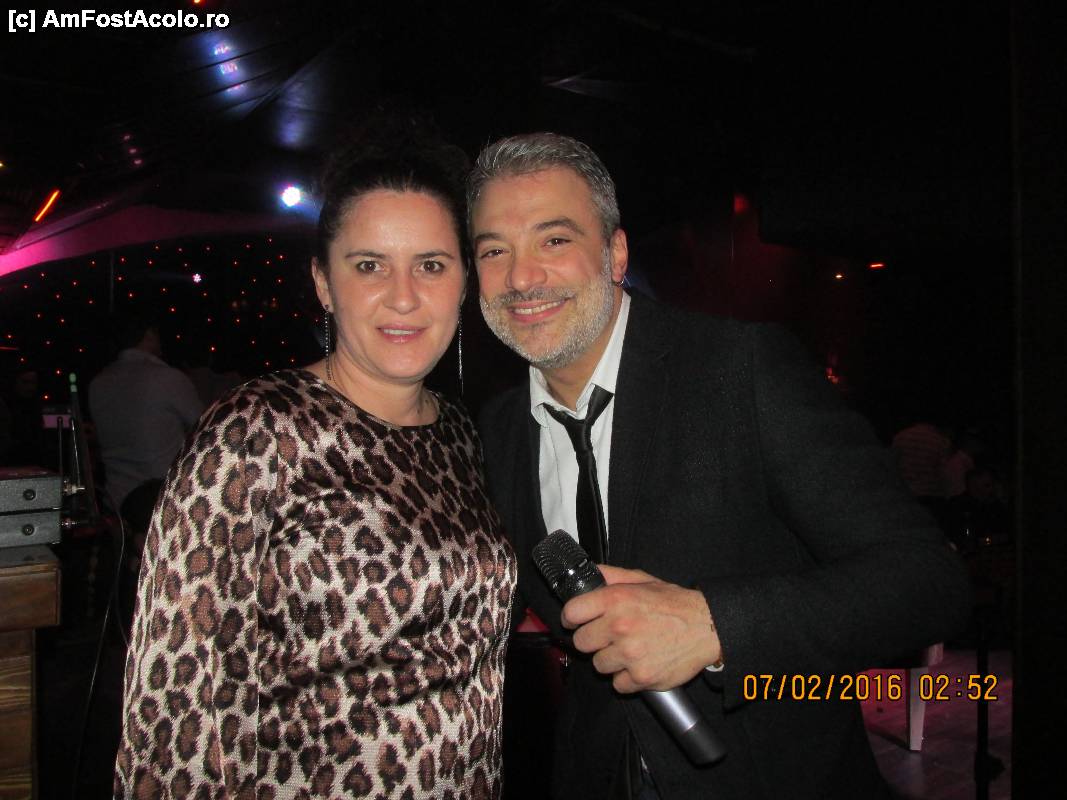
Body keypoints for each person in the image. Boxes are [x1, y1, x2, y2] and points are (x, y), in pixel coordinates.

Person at [470, 133, 971, 800]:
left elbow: (928, 582)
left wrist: (713, 627)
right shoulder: (498, 430)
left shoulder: (740, 369)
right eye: (494, 250)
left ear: (615, 254)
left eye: (553, 239)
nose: (520, 277)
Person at [114, 137, 516, 799]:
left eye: (431, 265)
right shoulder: (256, 431)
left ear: (464, 283)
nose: (404, 297)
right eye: (369, 266)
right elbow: (176, 707)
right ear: (324, 283)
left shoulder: (458, 434)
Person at [89, 316, 204, 510]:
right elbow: (205, 426)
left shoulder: (98, 383)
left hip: (117, 500)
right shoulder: (167, 378)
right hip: (162, 501)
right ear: (149, 334)